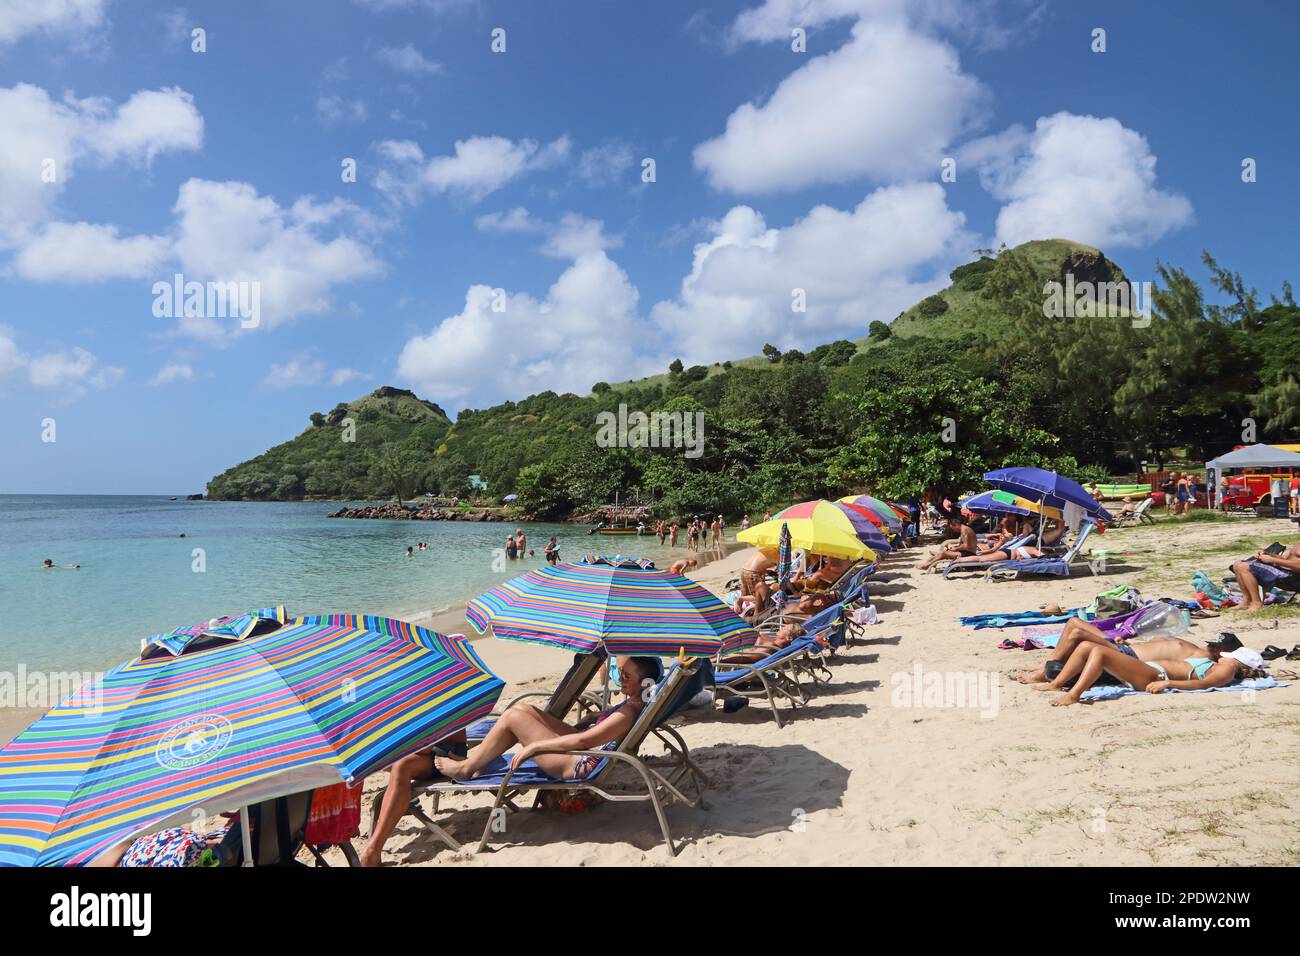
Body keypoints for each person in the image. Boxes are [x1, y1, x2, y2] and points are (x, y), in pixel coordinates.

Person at [431, 656, 663, 785]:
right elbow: (593, 735)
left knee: (513, 716)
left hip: (575, 764)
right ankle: (476, 762)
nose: (620, 679)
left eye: (626, 676)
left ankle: (466, 768)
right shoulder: (631, 705)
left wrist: (534, 746)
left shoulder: (627, 714)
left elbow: (583, 743)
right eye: (620, 673)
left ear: (645, 684)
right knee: (523, 708)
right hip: (583, 749)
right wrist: (598, 717)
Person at [1043, 638, 1265, 707]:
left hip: (1154, 677)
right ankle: (1055, 684)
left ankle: (1074, 695)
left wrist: (1169, 684)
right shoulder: (1222, 664)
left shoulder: (1228, 668)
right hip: (1151, 671)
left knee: (1100, 652)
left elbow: (1204, 685)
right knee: (1085, 647)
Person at [1013, 617, 1217, 684]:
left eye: (1216, 645)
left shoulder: (1204, 657)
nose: (1212, 644)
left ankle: (1042, 672)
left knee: (1076, 634)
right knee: (1073, 621)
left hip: (1125, 658)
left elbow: (1206, 673)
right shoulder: (1193, 646)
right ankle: (1045, 666)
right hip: (1124, 648)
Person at [1228, 540, 1300, 611]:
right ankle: (1246, 601)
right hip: (1287, 571)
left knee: (1244, 566)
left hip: (1293, 577)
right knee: (1237, 564)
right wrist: (1268, 554)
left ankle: (1256, 603)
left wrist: (1273, 560)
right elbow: (1285, 558)